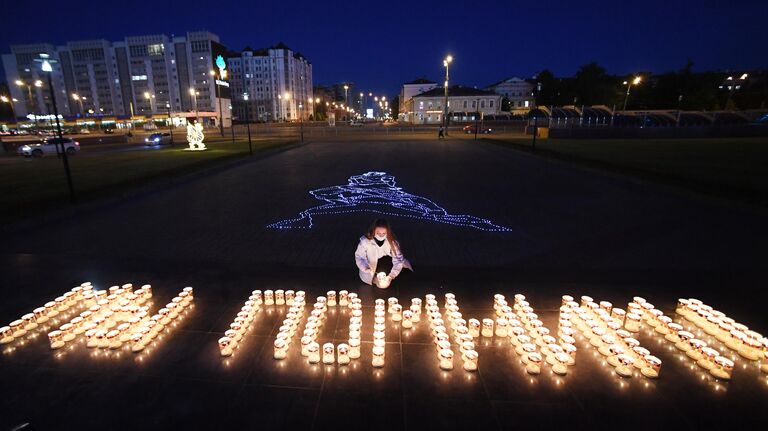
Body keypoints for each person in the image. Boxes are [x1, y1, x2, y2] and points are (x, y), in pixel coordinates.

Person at [355, 219, 412, 288]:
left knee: (400, 283)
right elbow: (359, 257)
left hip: (388, 265)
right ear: (373, 231)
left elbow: (398, 260)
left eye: (384, 233)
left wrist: (391, 276)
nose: (381, 235)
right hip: (372, 268)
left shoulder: (392, 242)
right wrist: (366, 268)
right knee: (377, 285)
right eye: (378, 233)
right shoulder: (365, 242)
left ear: (387, 232)